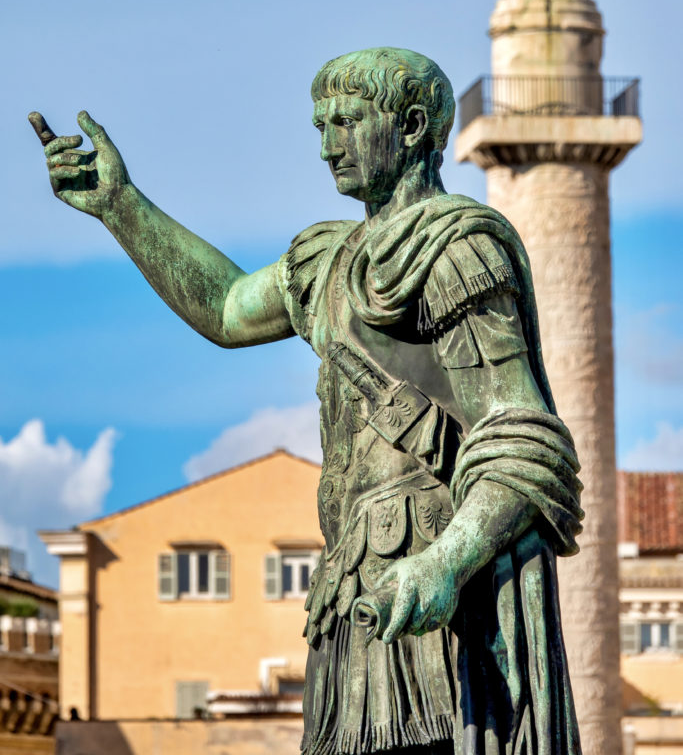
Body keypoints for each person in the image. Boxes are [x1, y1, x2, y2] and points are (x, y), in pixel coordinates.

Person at [30, 47, 583, 755]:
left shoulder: (457, 252)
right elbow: (228, 309)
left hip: (431, 582)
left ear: (412, 126)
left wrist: (444, 563)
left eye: (346, 122)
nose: (326, 147)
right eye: (320, 126)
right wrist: (120, 207)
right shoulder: (324, 260)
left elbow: (518, 437)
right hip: (352, 578)